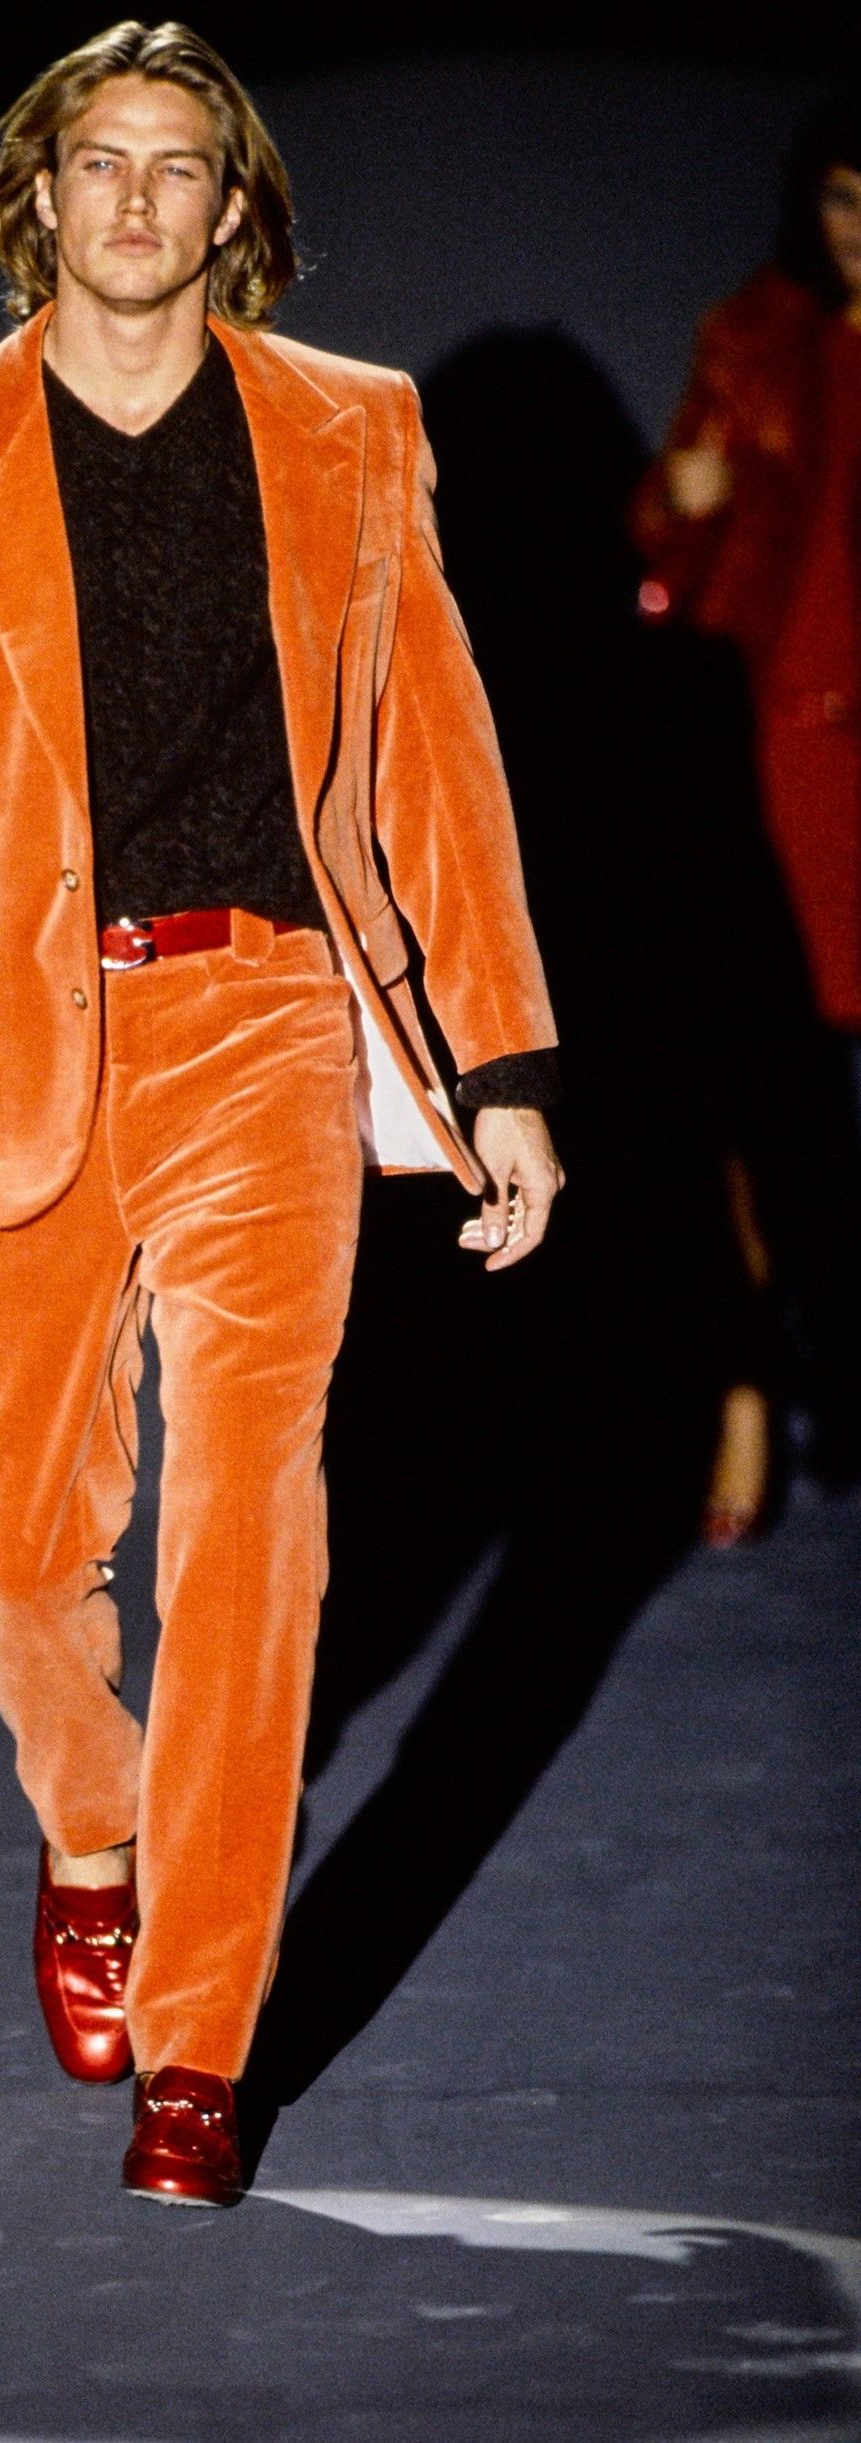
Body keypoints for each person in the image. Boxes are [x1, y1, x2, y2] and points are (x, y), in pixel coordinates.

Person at [0, 20, 561, 2208]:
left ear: (232, 209)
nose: (133, 198)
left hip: (264, 1016)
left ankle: (200, 2041)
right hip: (10, 1038)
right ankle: (91, 1822)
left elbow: (437, 758)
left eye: (175, 164)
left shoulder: (350, 431)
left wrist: (498, 1065)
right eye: (97, 160)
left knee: (250, 1523)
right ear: (38, 196)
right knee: (20, 1539)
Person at [634, 95, 861, 1524]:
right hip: (779, 761)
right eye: (843, 198)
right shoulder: (757, 341)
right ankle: (747, 1400)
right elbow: (664, 562)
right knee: (751, 1103)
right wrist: (679, 500)